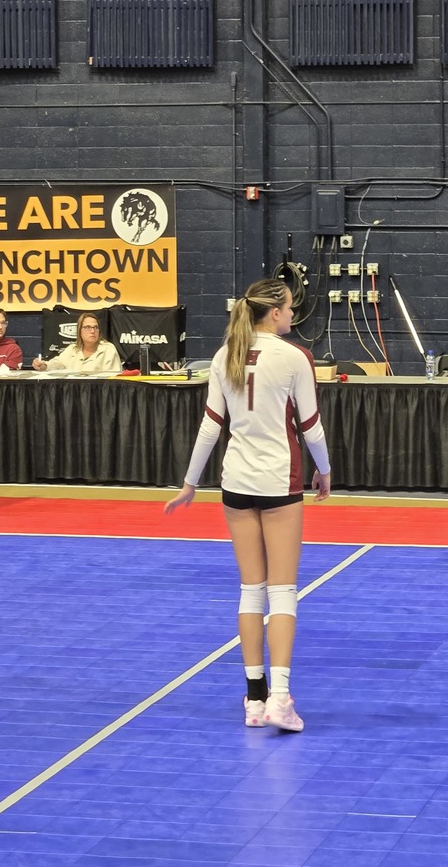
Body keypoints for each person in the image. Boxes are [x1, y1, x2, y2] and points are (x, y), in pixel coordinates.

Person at [164, 278, 331, 732]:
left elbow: (209, 428)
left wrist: (189, 483)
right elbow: (311, 426)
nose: (293, 315)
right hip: (279, 482)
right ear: (274, 313)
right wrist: (326, 470)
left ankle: (254, 699)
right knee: (282, 592)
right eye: (291, 308)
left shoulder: (224, 356)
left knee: (250, 590)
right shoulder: (295, 356)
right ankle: (280, 698)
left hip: (234, 483)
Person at [31, 313, 121, 374]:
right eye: (88, 327)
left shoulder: (108, 349)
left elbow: (112, 381)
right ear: (79, 331)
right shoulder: (73, 349)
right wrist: (44, 365)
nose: (93, 331)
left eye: (96, 327)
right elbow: (59, 363)